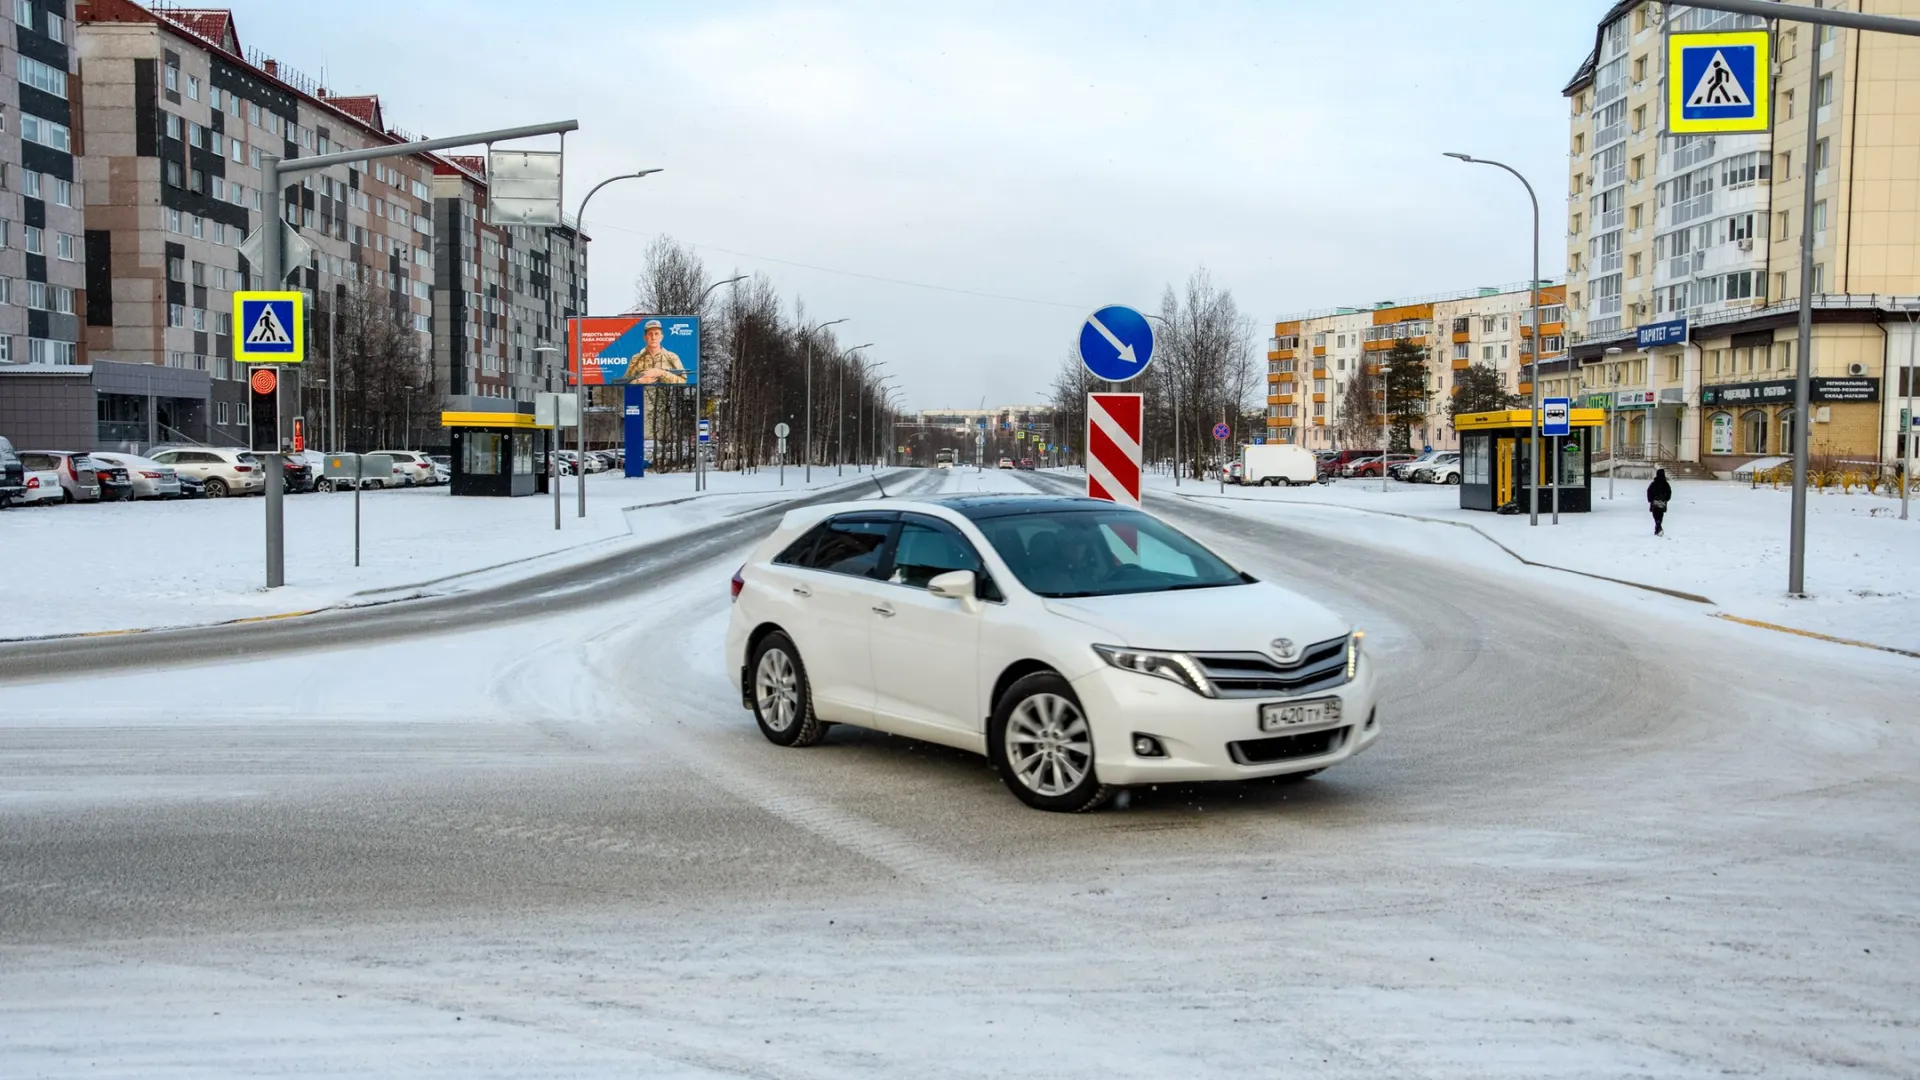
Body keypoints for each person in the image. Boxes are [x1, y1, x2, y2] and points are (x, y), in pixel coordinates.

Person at [620, 319, 687, 385]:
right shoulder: (636, 358)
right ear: (645, 337)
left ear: (661, 337)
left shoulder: (672, 357)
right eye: (650, 334)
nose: (653, 337)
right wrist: (639, 381)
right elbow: (624, 383)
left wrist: (661, 373)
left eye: (656, 334)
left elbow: (683, 381)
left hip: (667, 395)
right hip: (642, 395)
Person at [1647, 468, 1673, 536]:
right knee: (1660, 516)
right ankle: (1658, 528)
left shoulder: (1654, 483)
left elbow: (1649, 491)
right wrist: (1666, 499)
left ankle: (1658, 527)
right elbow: (1669, 492)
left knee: (1655, 515)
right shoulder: (1666, 484)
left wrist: (1650, 499)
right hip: (1662, 502)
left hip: (1655, 502)